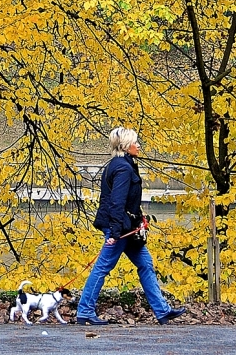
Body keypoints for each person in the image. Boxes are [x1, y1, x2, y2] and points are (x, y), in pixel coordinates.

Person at [76, 127, 186, 325]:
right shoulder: (123, 168)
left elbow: (127, 201)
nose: (139, 145)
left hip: (127, 228)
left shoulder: (120, 165)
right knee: (102, 268)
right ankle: (84, 310)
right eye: (136, 142)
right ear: (127, 146)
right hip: (120, 230)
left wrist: (138, 222)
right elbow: (117, 202)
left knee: (145, 264)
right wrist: (115, 233)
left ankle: (162, 311)